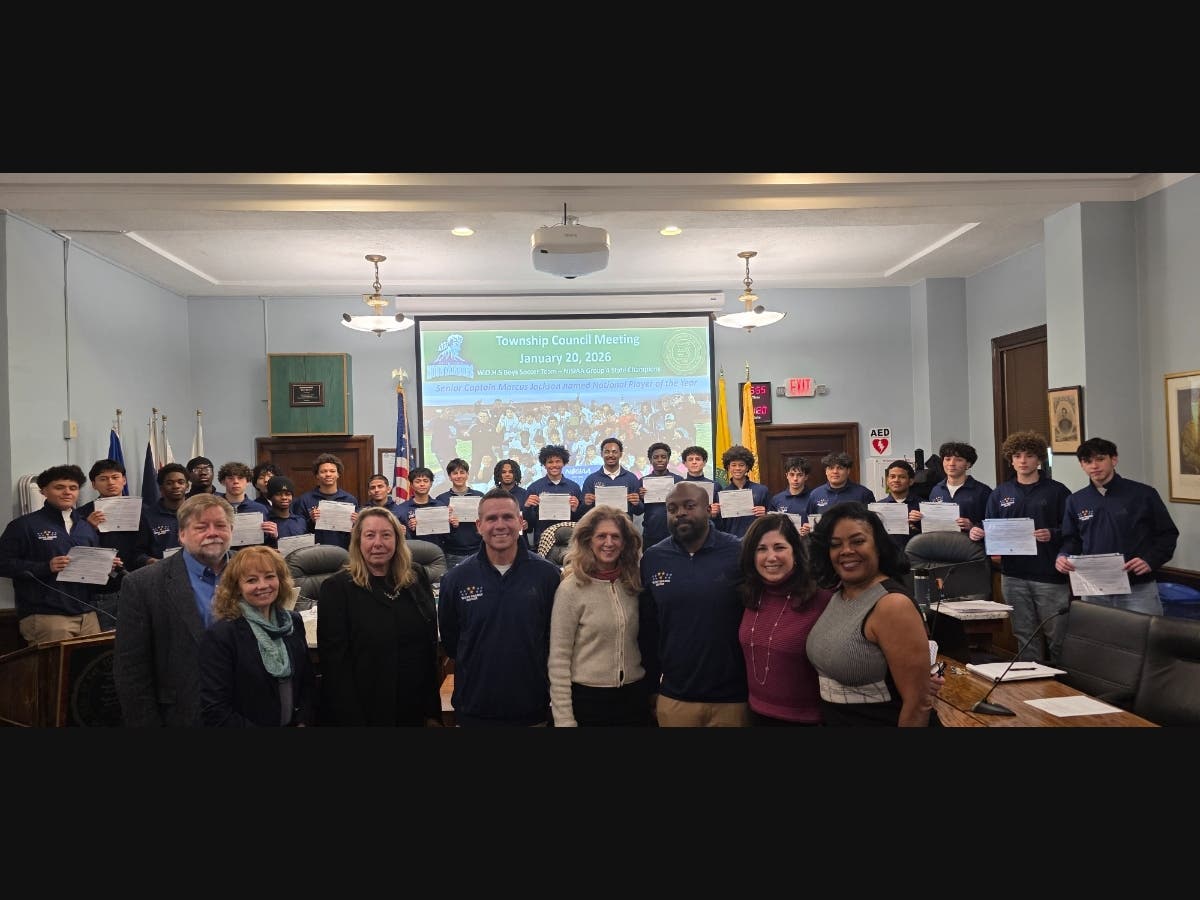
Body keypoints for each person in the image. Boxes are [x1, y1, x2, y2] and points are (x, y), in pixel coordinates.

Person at [805, 502, 939, 726]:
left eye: (858, 541)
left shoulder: (892, 605)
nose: (846, 551)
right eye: (836, 544)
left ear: (878, 546)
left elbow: (919, 702)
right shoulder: (839, 595)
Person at [439, 488, 561, 726]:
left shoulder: (548, 575)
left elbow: (554, 639)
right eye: (491, 518)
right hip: (474, 709)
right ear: (479, 525)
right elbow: (452, 643)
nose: (500, 525)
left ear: (521, 522)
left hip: (531, 708)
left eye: (508, 517)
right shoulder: (455, 579)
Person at [114, 493, 236, 726]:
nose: (212, 533)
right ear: (181, 535)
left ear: (231, 530)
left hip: (245, 712)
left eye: (220, 526)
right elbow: (131, 669)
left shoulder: (252, 573)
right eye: (201, 527)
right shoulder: (143, 584)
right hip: (181, 715)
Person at [317, 507, 441, 726]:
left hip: (415, 704)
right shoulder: (336, 588)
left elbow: (428, 648)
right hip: (365, 710)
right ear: (358, 541)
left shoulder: (416, 576)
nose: (378, 543)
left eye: (386, 535)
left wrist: (432, 711)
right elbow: (335, 667)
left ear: (397, 540)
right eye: (370, 535)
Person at [638, 481, 748, 727]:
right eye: (672, 508)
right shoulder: (653, 558)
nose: (680, 513)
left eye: (689, 506)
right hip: (674, 696)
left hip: (733, 698)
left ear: (708, 510)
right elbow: (648, 629)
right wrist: (651, 687)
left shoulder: (738, 552)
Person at [967, 431, 1072, 663]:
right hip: (1013, 575)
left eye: (1029, 455)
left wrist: (1052, 534)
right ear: (1011, 460)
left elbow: (1072, 530)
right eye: (1017, 456)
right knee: (1024, 634)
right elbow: (990, 526)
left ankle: (1064, 680)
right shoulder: (1000, 493)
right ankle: (1032, 678)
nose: (1023, 461)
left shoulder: (1058, 491)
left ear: (1039, 459)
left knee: (1058, 635)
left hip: (1049, 576)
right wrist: (977, 531)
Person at [548, 506, 650, 726]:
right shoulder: (571, 589)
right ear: (588, 540)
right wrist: (564, 719)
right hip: (588, 702)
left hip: (634, 699)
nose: (609, 543)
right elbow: (558, 659)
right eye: (601, 536)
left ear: (625, 542)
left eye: (616, 536)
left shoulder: (634, 584)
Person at [1055, 437, 1180, 616]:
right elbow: (1072, 540)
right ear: (1082, 465)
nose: (1094, 466)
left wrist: (1150, 560)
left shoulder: (1143, 494)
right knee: (1098, 633)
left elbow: (1167, 534)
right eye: (1087, 461)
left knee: (1142, 633)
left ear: (1114, 460)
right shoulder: (1075, 500)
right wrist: (1063, 556)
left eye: (1100, 459)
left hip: (1138, 587)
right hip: (1094, 587)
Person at [199, 545, 316, 726]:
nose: (263, 586)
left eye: (269, 576)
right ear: (237, 587)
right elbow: (216, 709)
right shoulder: (222, 635)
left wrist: (302, 722)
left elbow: (307, 682)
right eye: (252, 580)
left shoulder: (293, 621)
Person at [738, 514, 834, 725]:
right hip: (755, 715)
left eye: (779, 547)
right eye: (761, 549)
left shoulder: (822, 600)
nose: (771, 557)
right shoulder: (751, 596)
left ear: (796, 552)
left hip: (807, 721)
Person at [0, 465, 108, 644]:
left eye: (73, 488)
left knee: (93, 662)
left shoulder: (85, 527)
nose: (67, 492)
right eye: (59, 487)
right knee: (55, 664)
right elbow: (3, 563)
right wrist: (45, 567)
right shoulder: (24, 525)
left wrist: (107, 566)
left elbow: (93, 572)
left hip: (87, 614)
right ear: (43, 491)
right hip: (47, 616)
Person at [77, 457, 150, 620]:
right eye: (103, 479)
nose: (110, 482)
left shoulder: (144, 510)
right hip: (102, 589)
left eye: (115, 477)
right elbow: (76, 551)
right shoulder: (82, 514)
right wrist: (88, 528)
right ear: (93, 484)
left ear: (124, 480)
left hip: (140, 583)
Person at [293, 452, 359, 549]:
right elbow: (298, 532)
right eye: (323, 471)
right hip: (314, 552)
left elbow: (357, 532)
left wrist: (357, 523)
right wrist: (311, 521)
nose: (328, 474)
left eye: (332, 471)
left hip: (343, 551)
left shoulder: (350, 500)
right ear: (317, 475)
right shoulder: (304, 500)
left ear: (338, 474)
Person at [522, 444, 584, 548]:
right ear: (544, 464)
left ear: (563, 463)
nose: (554, 465)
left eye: (558, 461)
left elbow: (579, 521)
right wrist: (527, 507)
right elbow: (529, 525)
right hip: (542, 541)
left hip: (569, 541)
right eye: (550, 462)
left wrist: (575, 510)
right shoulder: (534, 487)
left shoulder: (574, 487)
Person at [801, 451, 875, 535]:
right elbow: (807, 523)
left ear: (848, 471)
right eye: (831, 468)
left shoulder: (864, 494)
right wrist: (807, 529)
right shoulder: (815, 494)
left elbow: (873, 525)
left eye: (840, 468)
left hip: (853, 541)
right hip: (824, 542)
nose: (835, 471)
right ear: (826, 471)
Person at [928, 441, 991, 532]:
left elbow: (992, 522)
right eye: (947, 459)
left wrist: (973, 526)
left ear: (968, 464)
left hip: (970, 540)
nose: (951, 464)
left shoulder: (982, 491)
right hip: (941, 539)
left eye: (958, 460)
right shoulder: (936, 490)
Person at [436, 457, 486, 569]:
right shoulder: (441, 499)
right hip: (452, 552)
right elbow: (438, 529)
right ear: (449, 477)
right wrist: (446, 518)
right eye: (455, 473)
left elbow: (487, 520)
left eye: (462, 472)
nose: (459, 476)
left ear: (467, 475)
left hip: (478, 550)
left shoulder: (480, 496)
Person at [714, 444, 769, 539]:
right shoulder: (722, 494)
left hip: (756, 540)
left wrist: (766, 514)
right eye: (733, 465)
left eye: (741, 465)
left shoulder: (762, 490)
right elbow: (719, 527)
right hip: (731, 541)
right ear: (728, 467)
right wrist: (715, 515)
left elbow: (774, 519)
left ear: (747, 467)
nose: (737, 468)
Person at [581, 436, 642, 519]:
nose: (610, 455)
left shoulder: (631, 478)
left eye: (614, 452)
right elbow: (583, 512)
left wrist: (637, 503)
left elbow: (639, 511)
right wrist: (586, 504)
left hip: (624, 526)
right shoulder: (591, 479)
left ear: (621, 454)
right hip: (599, 526)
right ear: (601, 454)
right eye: (606, 452)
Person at [140, 462, 190, 562]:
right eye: (169, 483)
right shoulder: (147, 516)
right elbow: (138, 554)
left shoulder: (199, 512)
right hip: (161, 569)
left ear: (187, 486)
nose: (176, 486)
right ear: (161, 488)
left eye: (180, 482)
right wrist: (150, 561)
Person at [638, 442, 683, 548]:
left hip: (675, 533)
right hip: (651, 534)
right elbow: (638, 511)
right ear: (650, 460)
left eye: (663, 457)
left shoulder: (678, 480)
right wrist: (640, 498)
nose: (660, 460)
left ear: (668, 459)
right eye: (656, 457)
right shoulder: (643, 481)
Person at [394, 466, 444, 550]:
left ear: (431, 484)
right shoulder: (401, 509)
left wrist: (452, 523)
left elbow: (447, 535)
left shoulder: (440, 506)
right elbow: (399, 538)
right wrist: (409, 529)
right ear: (411, 485)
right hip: (412, 552)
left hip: (438, 551)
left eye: (425, 481)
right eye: (418, 481)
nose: (422, 484)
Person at [878, 459, 922, 550]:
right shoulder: (878, 507)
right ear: (887, 481)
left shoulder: (922, 506)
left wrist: (918, 525)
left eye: (902, 477)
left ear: (911, 481)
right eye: (892, 476)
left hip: (915, 555)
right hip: (888, 555)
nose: (896, 480)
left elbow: (932, 537)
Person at [261, 476, 308, 550]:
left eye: (288, 494)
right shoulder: (265, 522)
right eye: (278, 494)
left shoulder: (300, 521)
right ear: (270, 497)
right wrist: (273, 538)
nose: (284, 497)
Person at [679, 444, 719, 517]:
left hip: (708, 523)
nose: (694, 462)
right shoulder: (678, 486)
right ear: (685, 463)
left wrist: (716, 511)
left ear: (704, 462)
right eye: (690, 459)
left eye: (698, 459)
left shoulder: (716, 485)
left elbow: (721, 514)